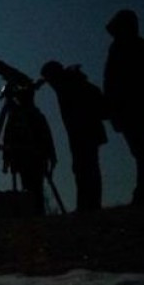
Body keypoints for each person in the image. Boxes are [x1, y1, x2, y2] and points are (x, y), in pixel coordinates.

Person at [103, 9, 144, 205]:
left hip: (135, 107)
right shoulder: (130, 48)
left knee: (140, 149)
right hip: (131, 107)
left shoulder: (132, 49)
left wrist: (129, 96)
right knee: (139, 150)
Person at [41, 60, 108, 212]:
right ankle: (87, 204)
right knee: (83, 168)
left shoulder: (72, 86)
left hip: (85, 132)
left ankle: (89, 204)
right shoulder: (70, 84)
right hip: (81, 133)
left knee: (86, 168)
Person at [1, 87, 57, 215]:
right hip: (30, 158)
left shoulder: (29, 116)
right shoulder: (35, 115)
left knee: (33, 188)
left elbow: (8, 137)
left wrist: (7, 159)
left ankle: (36, 212)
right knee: (32, 188)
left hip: (31, 157)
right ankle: (35, 212)